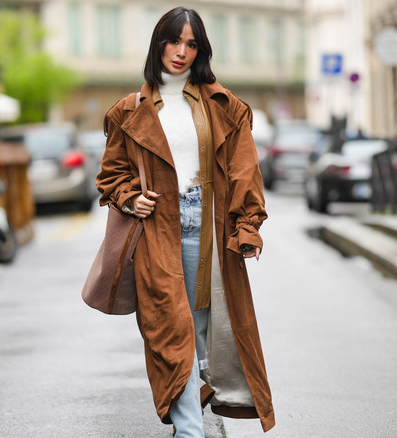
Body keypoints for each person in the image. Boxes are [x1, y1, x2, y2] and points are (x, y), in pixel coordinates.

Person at [96, 7, 274, 437]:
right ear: (158, 44)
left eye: (191, 44)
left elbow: (244, 172)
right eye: (173, 42)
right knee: (168, 332)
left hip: (205, 225)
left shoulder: (224, 106)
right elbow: (111, 173)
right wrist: (129, 197)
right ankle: (193, 431)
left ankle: (193, 414)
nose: (181, 52)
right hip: (156, 229)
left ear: (201, 49)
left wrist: (247, 227)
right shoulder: (128, 110)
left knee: (193, 328)